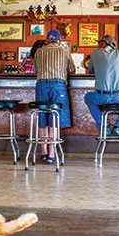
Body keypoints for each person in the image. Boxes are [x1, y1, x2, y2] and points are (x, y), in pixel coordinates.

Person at [34, 30, 75, 164]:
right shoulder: (64, 51)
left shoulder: (39, 52)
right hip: (58, 86)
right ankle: (52, 153)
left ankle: (43, 152)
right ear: (59, 41)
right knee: (54, 118)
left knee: (42, 119)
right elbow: (72, 69)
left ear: (47, 41)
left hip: (41, 86)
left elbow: (35, 70)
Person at [84, 35, 119, 136]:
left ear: (104, 43)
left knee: (88, 97)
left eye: (99, 42)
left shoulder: (95, 53)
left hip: (102, 97)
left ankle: (103, 126)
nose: (98, 45)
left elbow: (90, 70)